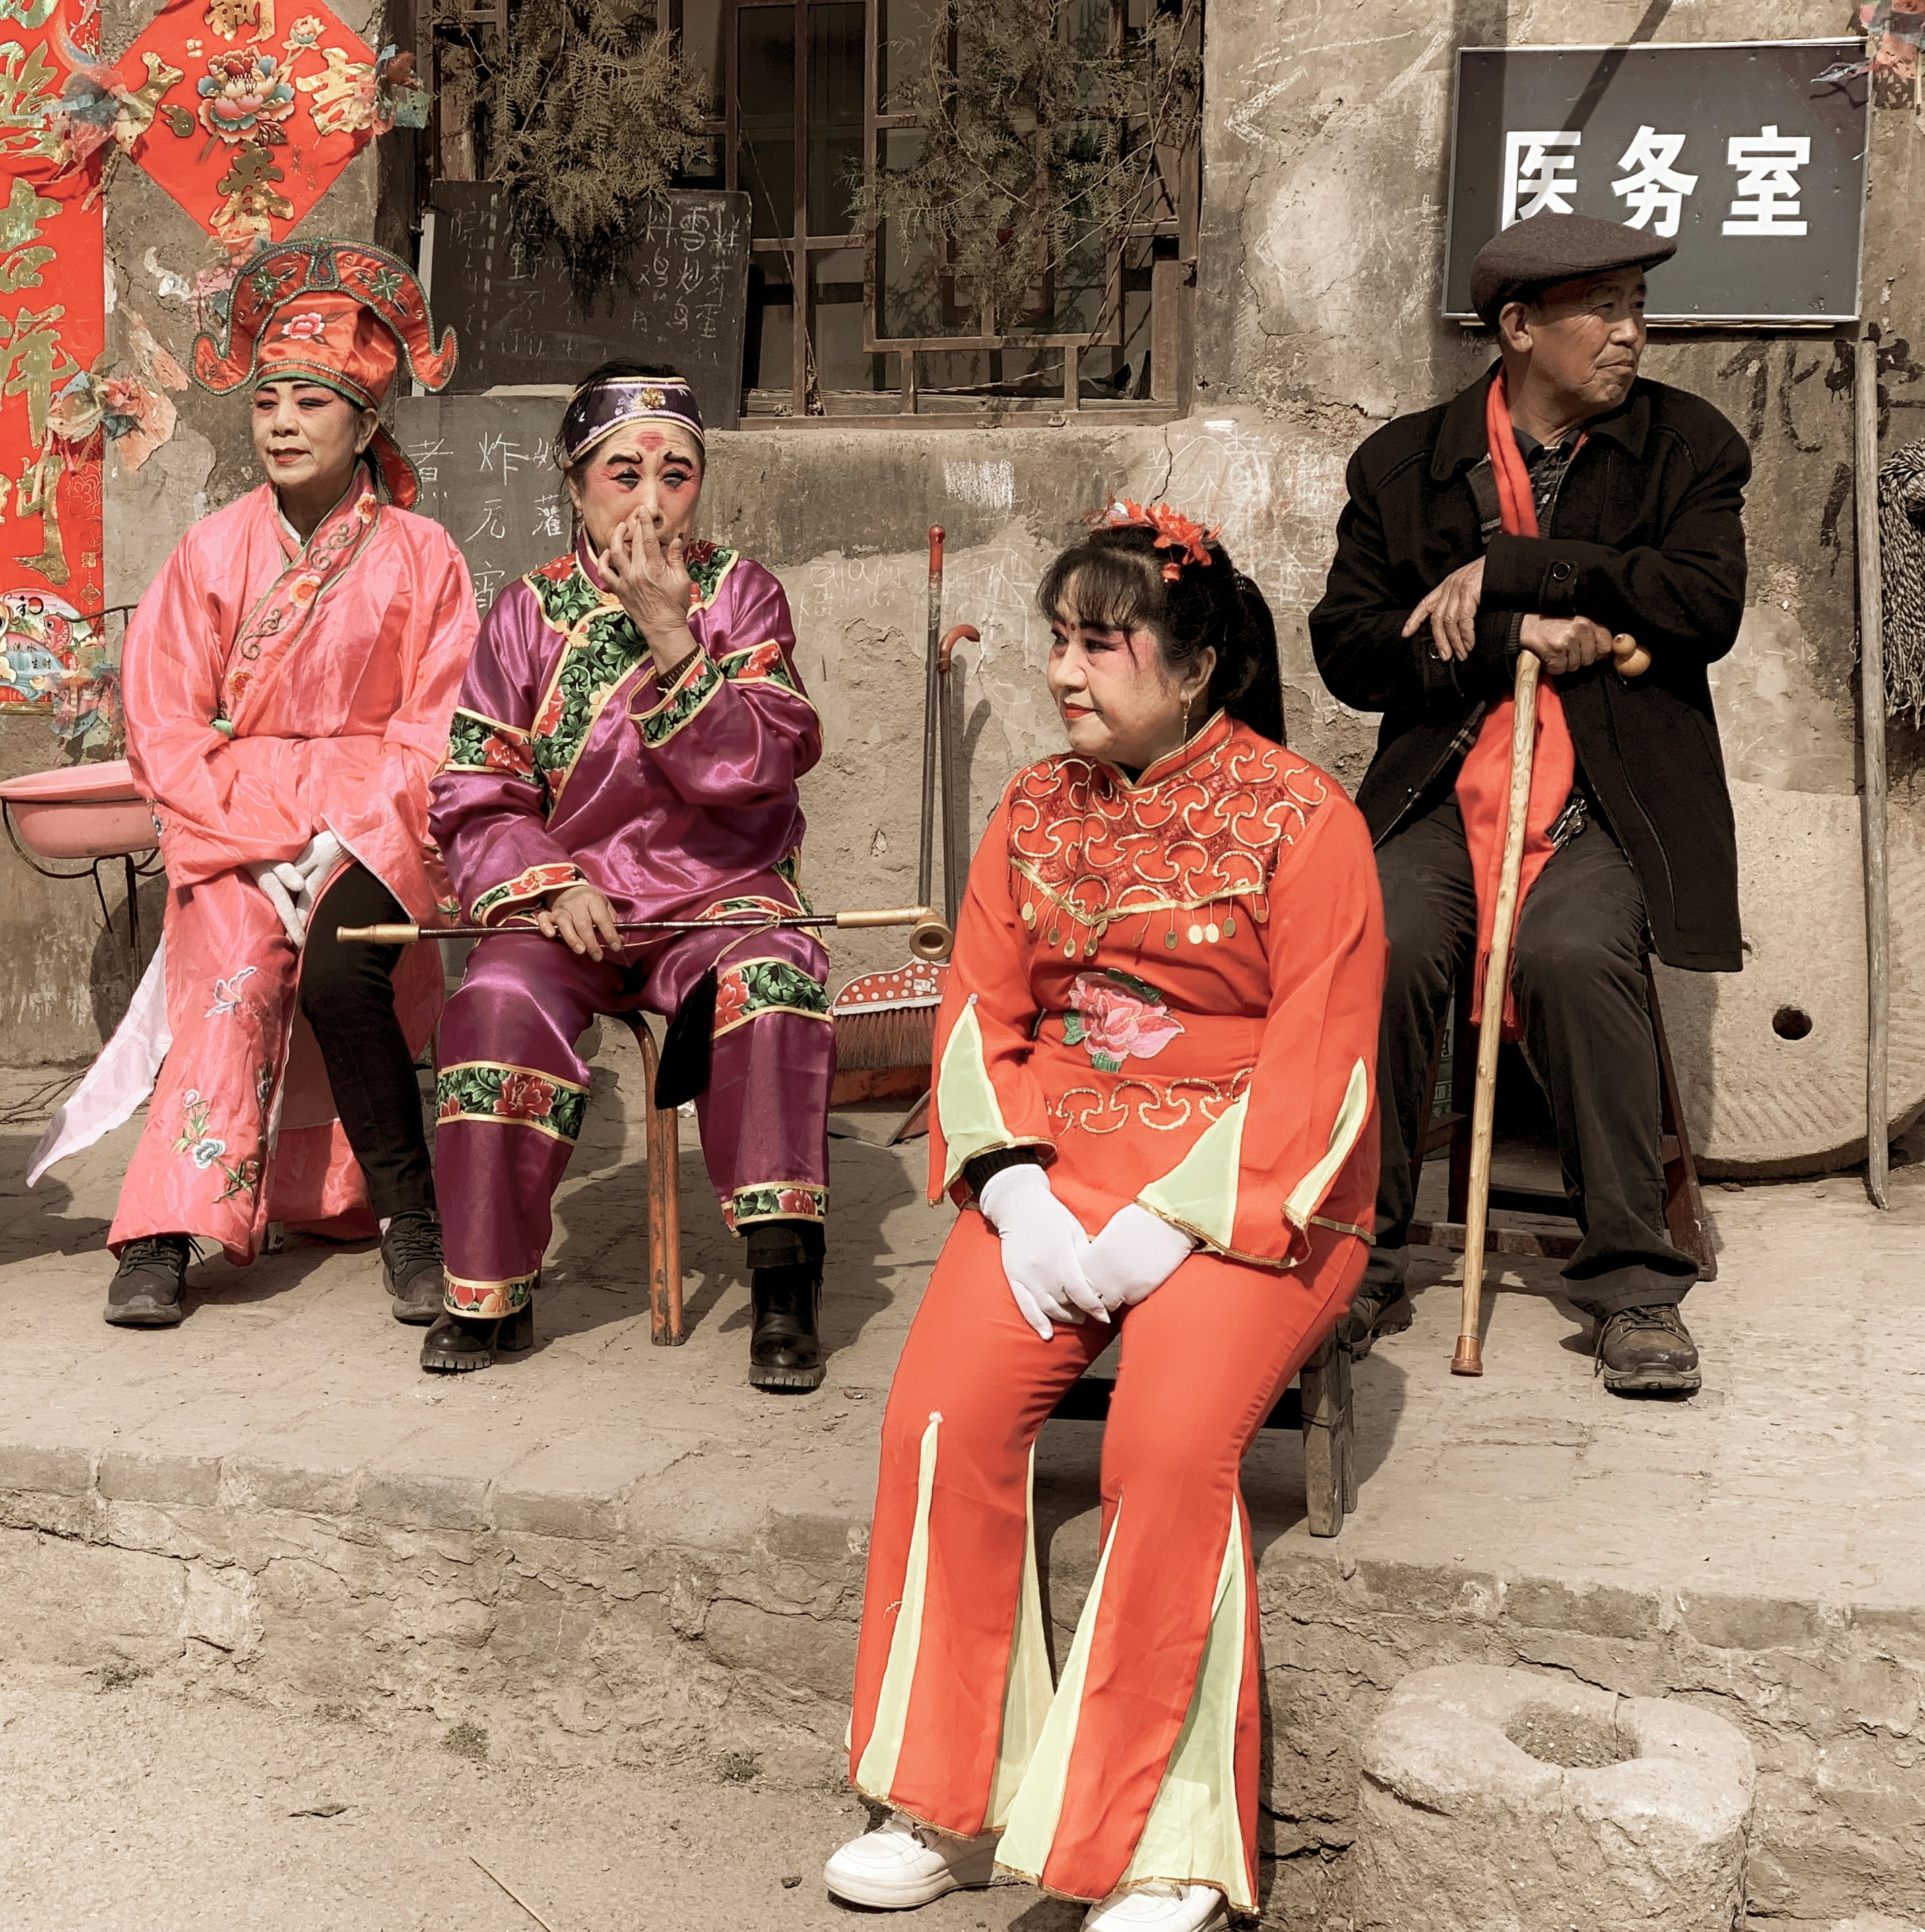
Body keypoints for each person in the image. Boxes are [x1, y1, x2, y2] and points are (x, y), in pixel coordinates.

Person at [825, 506, 1383, 1930]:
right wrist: (1011, 1192)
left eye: (1101, 642)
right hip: (1052, 1166)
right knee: (936, 1421)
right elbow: (979, 1009)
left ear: (1196, 668)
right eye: (1057, 642)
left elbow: (1325, 1060)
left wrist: (1169, 1227)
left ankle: (1167, 1847)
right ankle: (945, 1797)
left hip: (1262, 1184)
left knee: (1166, 1446)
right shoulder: (1031, 806)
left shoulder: (1304, 820)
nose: (1067, 672)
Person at [1309, 212, 1748, 1396]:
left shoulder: (1688, 446)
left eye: (1637, 309)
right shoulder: (1405, 464)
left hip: (1607, 791)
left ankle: (1632, 1284)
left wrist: (1516, 569)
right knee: (1383, 942)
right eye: (1601, 309)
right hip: (1448, 785)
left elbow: (1704, 605)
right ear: (1518, 329)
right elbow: (1349, 649)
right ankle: (1361, 1252)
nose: (1628, 333)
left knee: (1569, 953)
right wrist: (1513, 635)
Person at [26, 238, 477, 1327]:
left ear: (366, 425)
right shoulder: (210, 550)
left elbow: (442, 721)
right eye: (267, 399)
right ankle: (165, 1234)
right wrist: (245, 838)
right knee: (229, 973)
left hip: (374, 818)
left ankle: (408, 1221)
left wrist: (350, 836)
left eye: (309, 402)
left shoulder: (425, 555)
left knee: (345, 974)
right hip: (235, 816)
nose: (279, 422)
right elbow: (164, 721)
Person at [422, 362, 832, 1384]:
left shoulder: (741, 594)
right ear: (573, 483)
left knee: (773, 982)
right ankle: (489, 1291)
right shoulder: (525, 612)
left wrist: (669, 631)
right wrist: (550, 884)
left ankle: (784, 1283)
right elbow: (478, 788)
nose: (652, 503)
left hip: (717, 897)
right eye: (623, 474)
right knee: (498, 997)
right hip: (571, 908)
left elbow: (760, 763)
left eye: (678, 476)